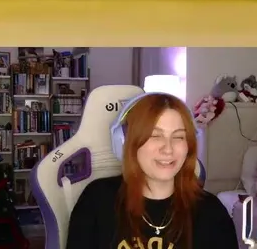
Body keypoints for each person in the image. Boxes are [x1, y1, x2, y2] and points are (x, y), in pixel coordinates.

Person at [66, 92, 237, 249]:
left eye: (178, 137)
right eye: (155, 136)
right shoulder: (96, 201)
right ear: (126, 142)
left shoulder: (211, 213)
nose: (168, 149)